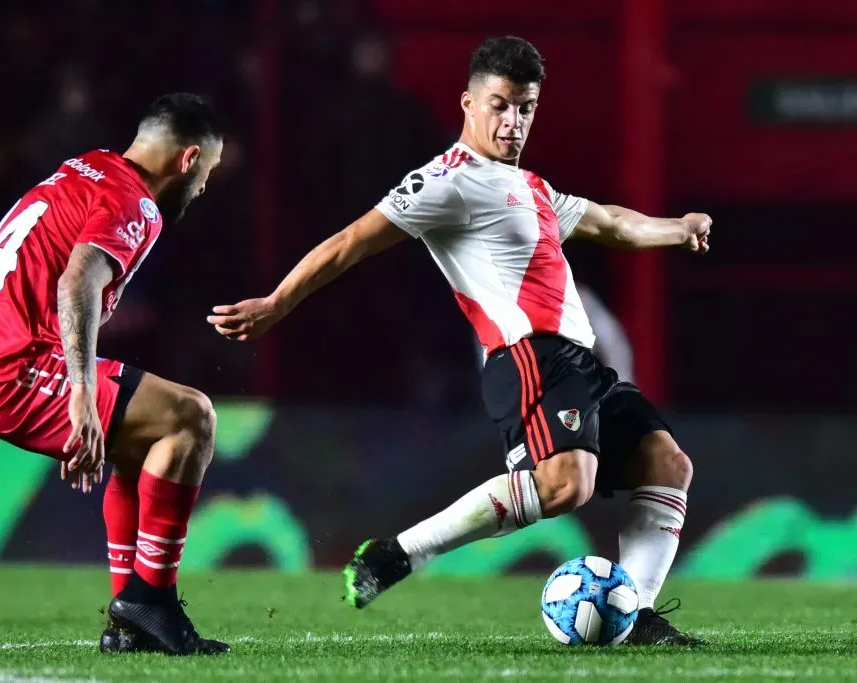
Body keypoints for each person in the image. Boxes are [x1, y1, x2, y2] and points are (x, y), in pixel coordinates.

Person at [207, 36, 710, 646]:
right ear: (468, 104)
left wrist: (675, 229)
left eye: (525, 107)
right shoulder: (445, 182)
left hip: (581, 363)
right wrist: (276, 302)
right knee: (567, 485)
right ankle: (400, 553)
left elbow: (610, 221)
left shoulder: (531, 186)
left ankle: (636, 614)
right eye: (500, 105)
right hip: (530, 357)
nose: (513, 121)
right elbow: (349, 242)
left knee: (667, 464)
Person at [0, 93, 229, 656]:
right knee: (192, 417)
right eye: (210, 172)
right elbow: (76, 285)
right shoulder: (135, 203)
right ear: (189, 159)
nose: (205, 187)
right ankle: (155, 603)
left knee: (143, 443)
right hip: (9, 369)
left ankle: (130, 623)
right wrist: (80, 393)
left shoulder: (89, 167)